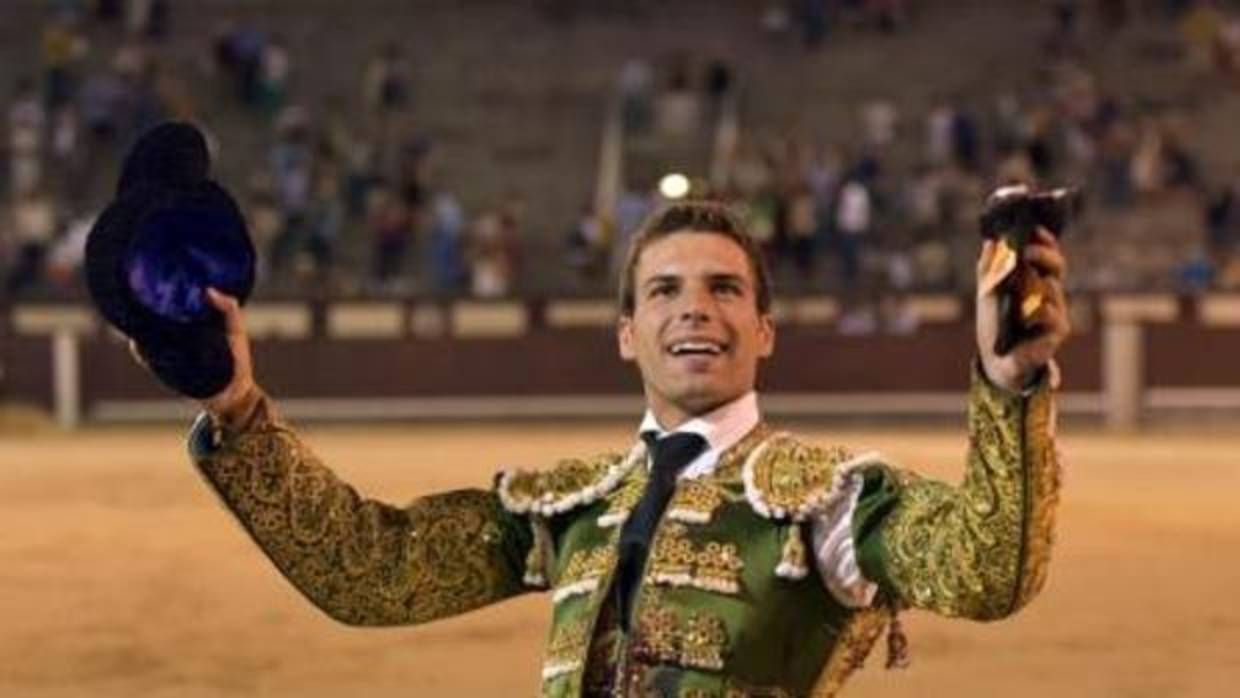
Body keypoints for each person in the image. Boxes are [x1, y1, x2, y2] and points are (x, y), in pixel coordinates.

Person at [169, 200, 1069, 697]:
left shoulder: (829, 501)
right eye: (666, 290)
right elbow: (372, 573)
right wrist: (239, 407)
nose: (694, 309)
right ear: (628, 333)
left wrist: (1008, 386)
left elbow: (988, 568)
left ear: (763, 330)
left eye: (723, 289)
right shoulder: (575, 506)